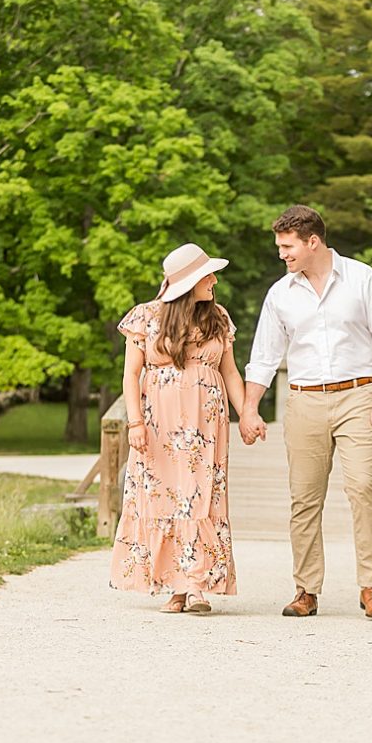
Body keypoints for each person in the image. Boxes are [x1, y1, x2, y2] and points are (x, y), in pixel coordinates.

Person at [242, 205, 372, 621]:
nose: (281, 254)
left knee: (364, 486)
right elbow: (263, 358)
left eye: (287, 246)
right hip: (304, 401)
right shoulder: (281, 294)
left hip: (359, 396)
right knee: (304, 498)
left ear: (312, 241)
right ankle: (306, 590)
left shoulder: (363, 279)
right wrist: (249, 409)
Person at [110, 242, 261, 615]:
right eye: (208, 275)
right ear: (189, 281)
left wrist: (247, 414)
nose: (214, 281)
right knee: (163, 497)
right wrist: (135, 422)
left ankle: (195, 585)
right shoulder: (146, 318)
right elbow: (131, 375)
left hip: (205, 426)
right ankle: (173, 586)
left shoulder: (218, 318)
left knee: (200, 496)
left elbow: (229, 372)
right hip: (158, 425)